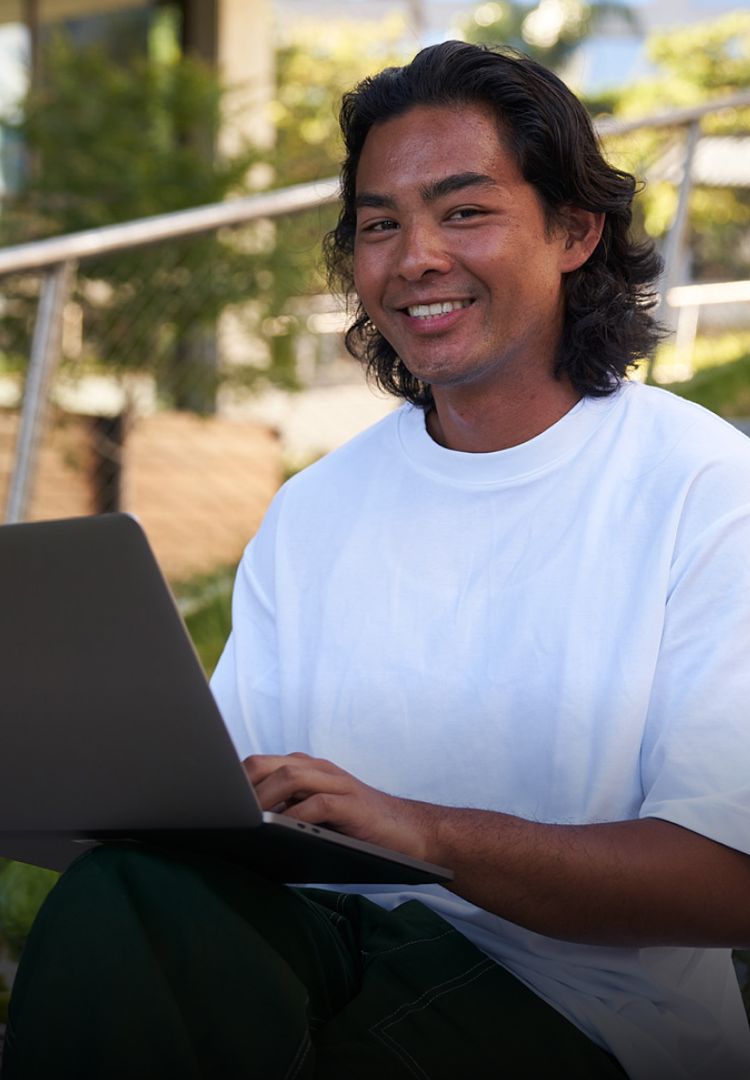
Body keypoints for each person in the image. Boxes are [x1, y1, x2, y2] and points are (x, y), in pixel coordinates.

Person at [3, 40, 750, 1080]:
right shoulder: (316, 509)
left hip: (586, 1016)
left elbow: (724, 882)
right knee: (126, 892)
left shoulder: (705, 487)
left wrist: (427, 835)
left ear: (575, 230)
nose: (415, 258)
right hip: (331, 948)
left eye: (465, 211)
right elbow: (217, 813)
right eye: (379, 224)